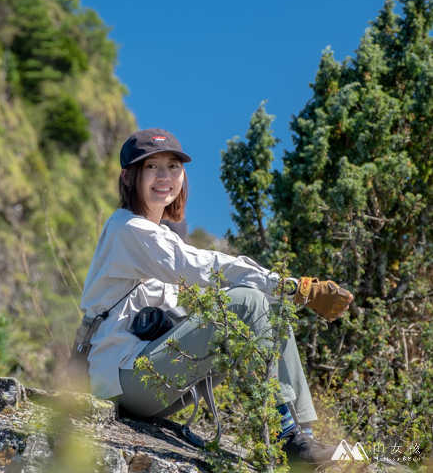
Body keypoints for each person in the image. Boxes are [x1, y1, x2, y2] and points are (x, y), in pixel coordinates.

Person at [78, 128, 353, 465]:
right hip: (121, 380)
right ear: (128, 177)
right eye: (152, 167)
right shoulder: (128, 229)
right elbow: (198, 265)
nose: (165, 176)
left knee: (263, 307)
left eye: (173, 166)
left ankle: (302, 435)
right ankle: (289, 439)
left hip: (146, 381)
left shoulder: (159, 234)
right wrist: (294, 288)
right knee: (248, 302)